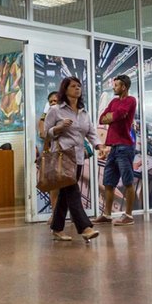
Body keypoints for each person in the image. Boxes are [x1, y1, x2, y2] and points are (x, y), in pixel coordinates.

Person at [44, 77, 102, 242]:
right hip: (62, 157)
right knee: (73, 191)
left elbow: (91, 133)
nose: (77, 88)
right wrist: (59, 127)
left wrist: (99, 146)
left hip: (78, 158)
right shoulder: (55, 110)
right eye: (73, 86)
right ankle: (85, 227)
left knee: (64, 194)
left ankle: (57, 228)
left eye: (79, 86)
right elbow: (46, 133)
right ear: (65, 89)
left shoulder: (84, 112)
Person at [92, 74, 138, 226]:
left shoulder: (131, 100)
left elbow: (119, 114)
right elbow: (102, 118)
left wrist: (111, 116)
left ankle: (129, 216)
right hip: (112, 147)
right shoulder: (113, 101)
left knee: (128, 182)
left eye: (116, 85)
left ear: (124, 87)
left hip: (125, 146)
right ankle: (107, 215)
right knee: (108, 182)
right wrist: (111, 116)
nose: (114, 88)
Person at [38, 91, 60, 222]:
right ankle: (55, 215)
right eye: (50, 101)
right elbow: (42, 134)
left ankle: (75, 216)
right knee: (53, 187)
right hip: (52, 154)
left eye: (55, 101)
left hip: (66, 154)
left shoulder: (66, 114)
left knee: (69, 186)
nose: (53, 103)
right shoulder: (45, 117)